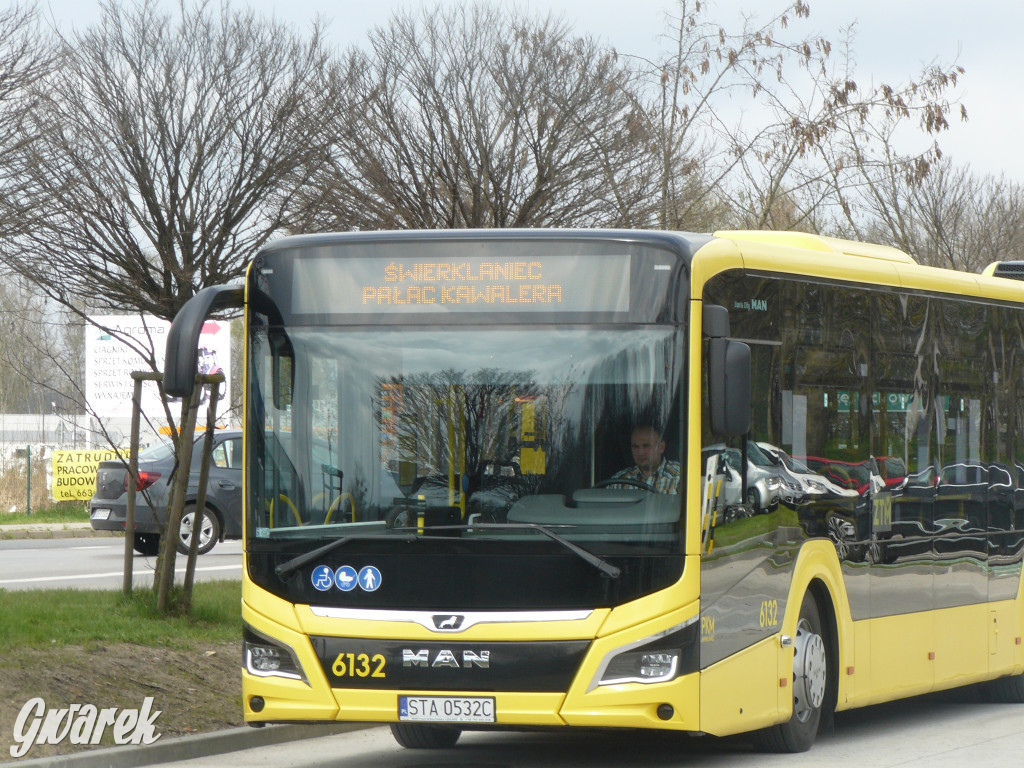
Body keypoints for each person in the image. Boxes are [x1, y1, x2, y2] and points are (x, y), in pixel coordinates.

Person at [610, 424, 680, 494]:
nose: (640, 453)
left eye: (646, 446)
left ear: (661, 447)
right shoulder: (619, 481)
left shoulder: (680, 476)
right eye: (636, 447)